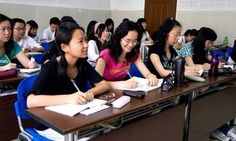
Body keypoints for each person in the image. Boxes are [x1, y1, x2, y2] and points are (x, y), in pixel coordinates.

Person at [26, 22, 110, 140]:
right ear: (64, 47)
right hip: (51, 125)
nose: (86, 45)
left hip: (74, 119)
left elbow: (104, 85)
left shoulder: (82, 63)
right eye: (80, 42)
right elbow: (31, 101)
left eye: (85, 40)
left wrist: (88, 94)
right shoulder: (51, 67)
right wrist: (69, 98)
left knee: (107, 131)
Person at [95, 20, 158, 89]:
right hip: (107, 90)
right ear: (119, 38)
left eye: (135, 41)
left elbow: (147, 73)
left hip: (125, 88)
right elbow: (97, 83)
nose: (131, 45)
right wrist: (121, 84)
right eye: (127, 40)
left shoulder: (133, 53)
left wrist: (151, 76)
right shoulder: (106, 54)